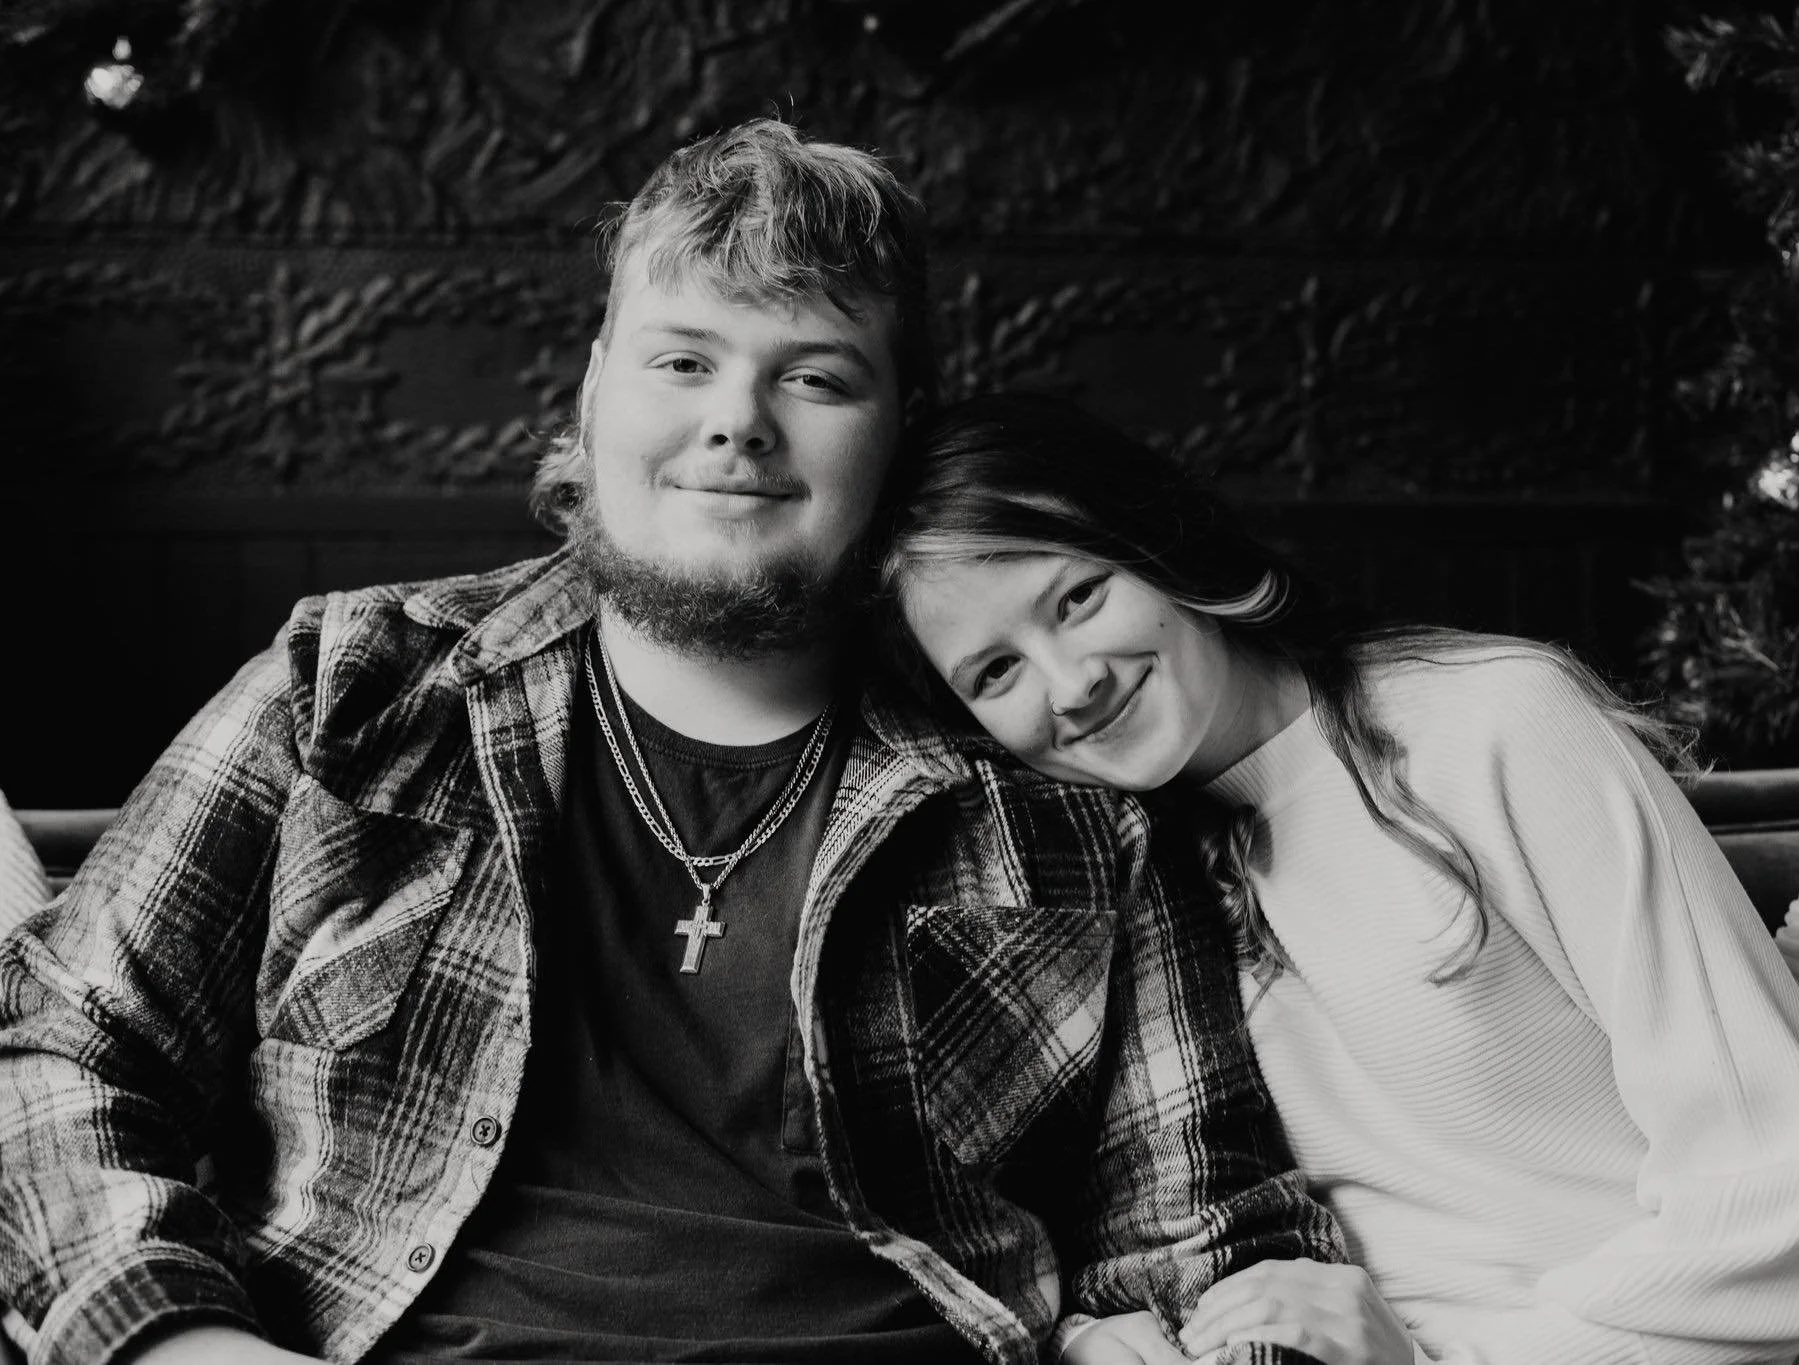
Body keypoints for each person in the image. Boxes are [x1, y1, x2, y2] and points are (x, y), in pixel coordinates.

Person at [0, 124, 1349, 1365]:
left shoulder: (1056, 784)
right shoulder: (353, 691)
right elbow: (57, 1045)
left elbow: (1206, 1225)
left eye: (814, 375)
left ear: (903, 430)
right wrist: (179, 1342)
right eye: (684, 359)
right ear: (596, 392)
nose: (737, 422)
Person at [881, 393, 1799, 1365]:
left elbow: (1786, 1199)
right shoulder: (1116, 875)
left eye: (1078, 596)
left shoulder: (1493, 728)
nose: (1071, 683)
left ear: (1157, 542)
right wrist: (1084, 1336)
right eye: (995, 673)